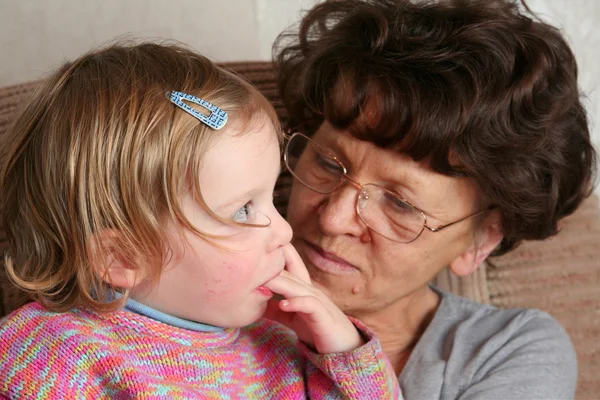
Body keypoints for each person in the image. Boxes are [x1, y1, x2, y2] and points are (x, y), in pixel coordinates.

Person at [0, 43, 401, 399]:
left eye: (271, 197)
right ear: (122, 256)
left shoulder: (281, 341)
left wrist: (345, 352)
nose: (284, 230)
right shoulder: (49, 357)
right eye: (244, 210)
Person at [274, 0, 596, 398]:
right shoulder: (201, 297)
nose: (333, 219)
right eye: (326, 160)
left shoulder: (506, 352)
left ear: (482, 239)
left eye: (400, 204)